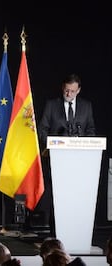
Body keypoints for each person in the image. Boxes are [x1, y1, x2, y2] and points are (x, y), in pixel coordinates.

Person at [37, 73, 96, 236]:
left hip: (79, 162)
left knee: (76, 200)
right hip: (57, 161)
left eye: (72, 91)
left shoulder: (86, 106)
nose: (68, 94)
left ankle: (76, 233)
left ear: (79, 91)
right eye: (66, 90)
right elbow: (42, 129)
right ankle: (55, 234)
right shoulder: (51, 105)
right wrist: (53, 143)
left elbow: (90, 130)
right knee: (58, 200)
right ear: (62, 88)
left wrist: (84, 144)